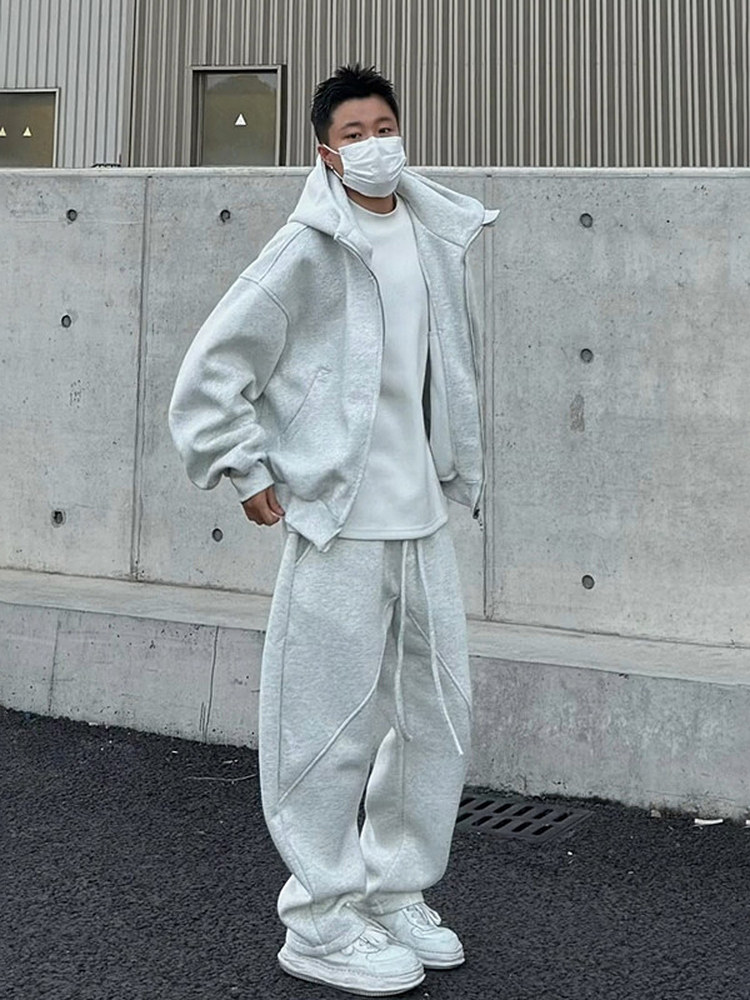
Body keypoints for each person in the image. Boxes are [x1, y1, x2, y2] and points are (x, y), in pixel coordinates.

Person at [168, 63, 497, 997]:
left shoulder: (432, 234)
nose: (374, 143)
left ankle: (394, 891)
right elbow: (212, 371)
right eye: (354, 133)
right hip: (337, 523)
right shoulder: (304, 250)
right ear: (325, 152)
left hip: (421, 516)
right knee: (325, 725)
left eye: (384, 126)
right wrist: (244, 467)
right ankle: (318, 920)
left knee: (435, 720)